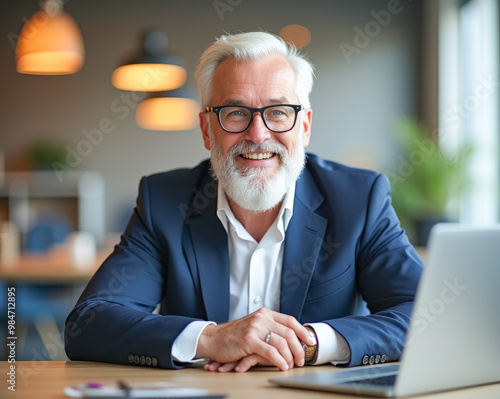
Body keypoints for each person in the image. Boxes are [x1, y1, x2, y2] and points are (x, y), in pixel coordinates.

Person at [65, 32, 423, 373]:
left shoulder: (360, 199)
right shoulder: (163, 202)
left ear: (305, 126)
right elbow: (88, 322)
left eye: (278, 111)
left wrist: (310, 343)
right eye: (235, 112)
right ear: (207, 129)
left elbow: (424, 315)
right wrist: (210, 338)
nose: (258, 134)